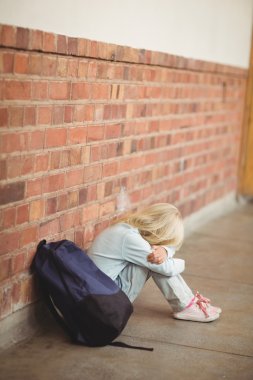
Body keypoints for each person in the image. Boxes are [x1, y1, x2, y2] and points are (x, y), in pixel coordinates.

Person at [88, 203, 221, 322]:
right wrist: (182, 263)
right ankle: (186, 306)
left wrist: (165, 250)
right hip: (106, 304)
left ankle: (188, 303)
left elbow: (166, 249)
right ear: (159, 230)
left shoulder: (126, 229)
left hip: (99, 297)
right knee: (156, 261)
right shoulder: (129, 238)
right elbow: (166, 267)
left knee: (156, 257)